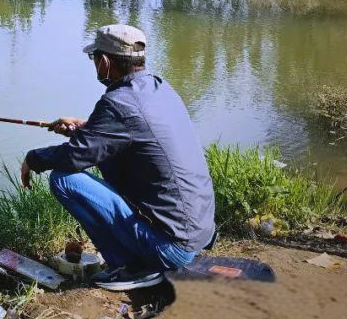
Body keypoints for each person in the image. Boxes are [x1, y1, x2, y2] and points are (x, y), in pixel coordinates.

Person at [20, 24, 215, 291]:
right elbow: (132, 130)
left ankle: (128, 267)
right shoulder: (160, 87)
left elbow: (75, 157)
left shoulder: (117, 103)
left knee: (63, 179)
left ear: (105, 62)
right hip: (197, 234)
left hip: (172, 248)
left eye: (94, 58)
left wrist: (33, 158)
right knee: (103, 154)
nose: (94, 64)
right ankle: (138, 257)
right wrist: (86, 127)